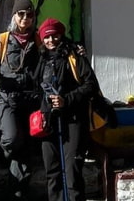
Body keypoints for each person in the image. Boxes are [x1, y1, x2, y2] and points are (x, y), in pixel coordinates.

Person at [0, 0, 41, 199]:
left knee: (26, 146)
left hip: (30, 100)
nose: (25, 18)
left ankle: (18, 191)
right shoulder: (3, 40)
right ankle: (4, 152)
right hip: (6, 98)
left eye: (29, 14)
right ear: (14, 16)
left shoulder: (39, 40)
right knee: (12, 139)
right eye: (21, 14)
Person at [35, 18, 97, 201]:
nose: (51, 40)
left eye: (55, 36)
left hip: (74, 119)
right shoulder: (41, 58)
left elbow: (91, 85)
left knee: (72, 171)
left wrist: (66, 100)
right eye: (47, 37)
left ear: (61, 35)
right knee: (52, 170)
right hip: (49, 120)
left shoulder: (74, 56)